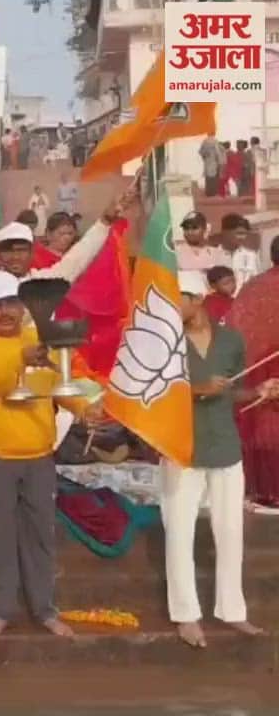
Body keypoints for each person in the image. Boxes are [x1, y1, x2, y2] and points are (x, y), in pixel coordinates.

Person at [0, 271, 99, 639]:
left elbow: (56, 386)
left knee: (41, 536)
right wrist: (20, 358)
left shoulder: (39, 340)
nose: (5, 312)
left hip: (38, 455)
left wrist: (84, 408)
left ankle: (45, 610)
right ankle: (1, 609)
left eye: (12, 304)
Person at [166, 270, 278, 648]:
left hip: (225, 447)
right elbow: (152, 400)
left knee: (231, 532)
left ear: (197, 300)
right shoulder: (163, 340)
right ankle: (186, 615)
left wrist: (259, 390)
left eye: (178, 297)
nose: (172, 305)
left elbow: (233, 393)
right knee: (178, 534)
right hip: (180, 448)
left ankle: (233, 611)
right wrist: (197, 390)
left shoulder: (231, 341)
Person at [229, 238, 279, 509]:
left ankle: (261, 489)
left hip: (255, 372)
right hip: (264, 369)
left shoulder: (251, 288)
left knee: (262, 431)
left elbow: (237, 329)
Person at [216, 213, 260, 291]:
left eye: (244, 234)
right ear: (225, 232)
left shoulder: (251, 256)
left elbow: (257, 283)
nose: (242, 237)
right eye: (239, 233)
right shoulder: (213, 255)